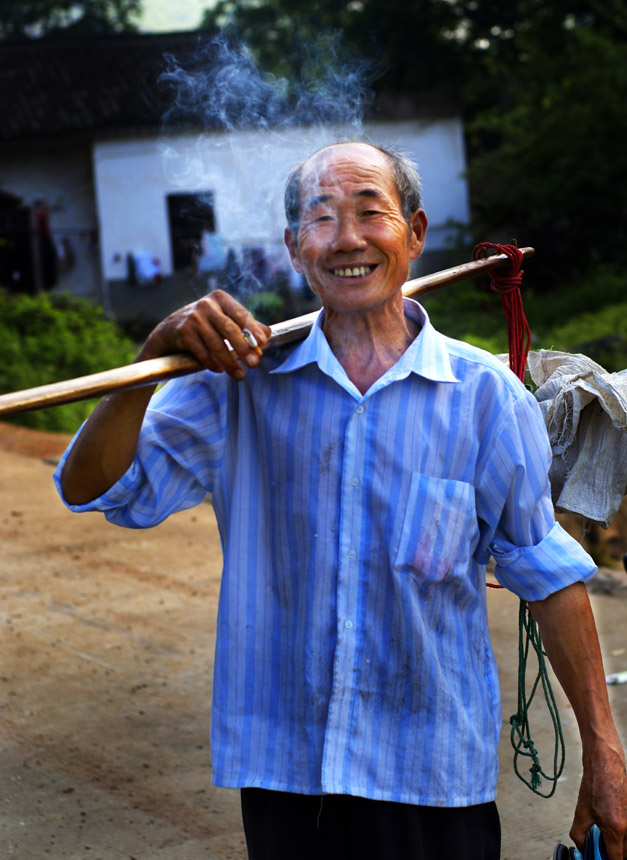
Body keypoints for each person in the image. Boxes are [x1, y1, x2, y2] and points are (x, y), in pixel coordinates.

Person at [55, 141, 627, 860]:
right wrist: (146, 366)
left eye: (369, 213)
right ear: (295, 247)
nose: (347, 239)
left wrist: (605, 759)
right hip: (286, 774)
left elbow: (548, 576)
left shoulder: (483, 397)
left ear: (413, 233)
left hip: (432, 774)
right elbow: (96, 490)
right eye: (321, 219)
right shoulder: (237, 384)